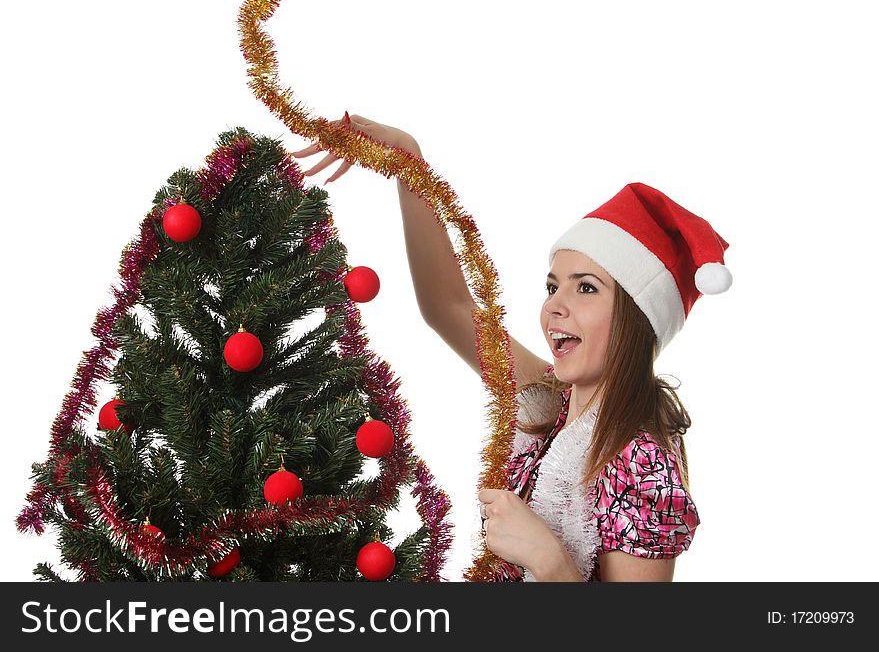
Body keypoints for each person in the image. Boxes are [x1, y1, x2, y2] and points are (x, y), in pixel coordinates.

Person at [292, 113, 732, 582]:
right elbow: (448, 306)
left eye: (585, 289)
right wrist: (408, 160)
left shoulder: (643, 463)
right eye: (551, 286)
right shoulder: (550, 404)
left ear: (639, 320)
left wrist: (548, 559)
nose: (554, 307)